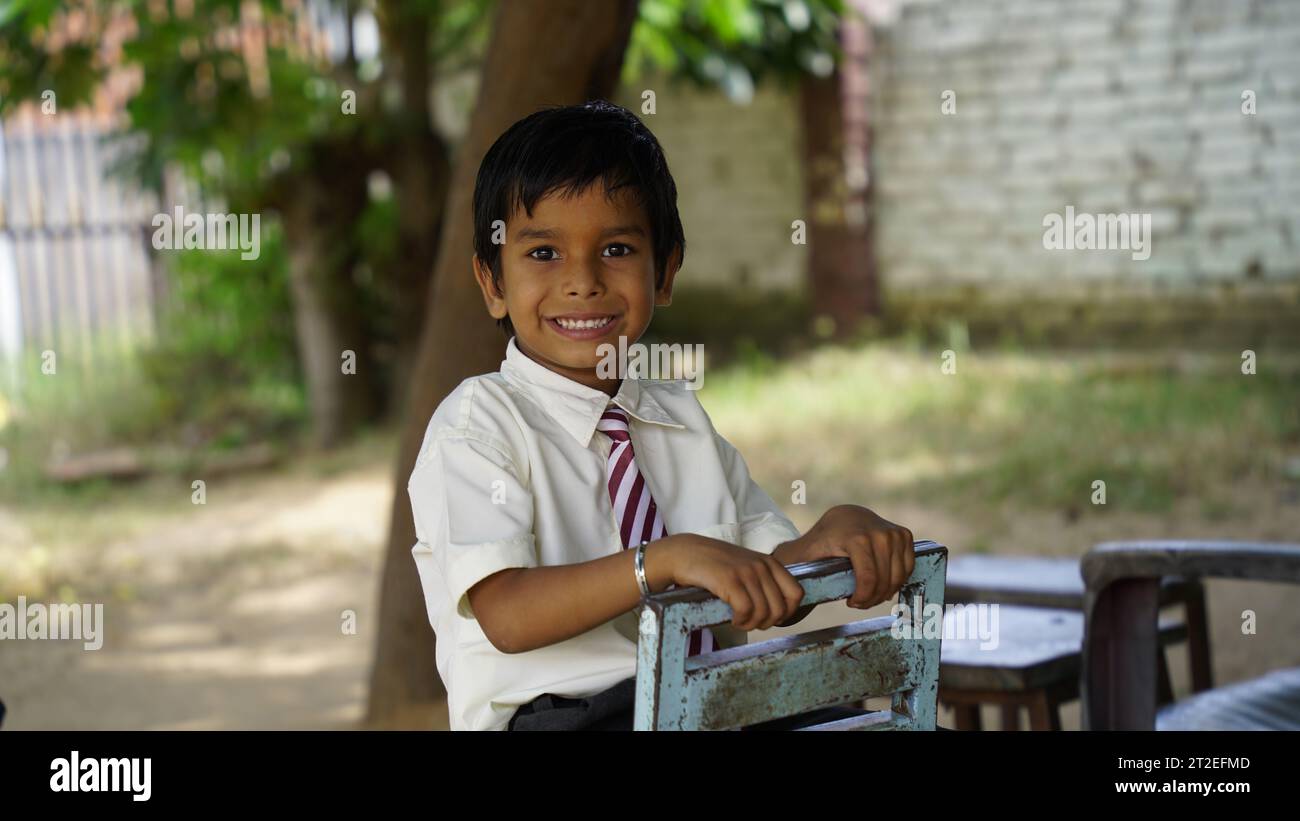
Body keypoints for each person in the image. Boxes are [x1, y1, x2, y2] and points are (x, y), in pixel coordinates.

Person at [408, 100, 916, 731]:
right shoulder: (478, 425)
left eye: (616, 248)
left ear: (666, 270)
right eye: (543, 254)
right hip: (568, 718)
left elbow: (763, 583)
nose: (582, 281)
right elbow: (507, 615)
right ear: (492, 283)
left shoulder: (682, 423)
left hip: (709, 704)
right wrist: (661, 561)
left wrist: (827, 537)